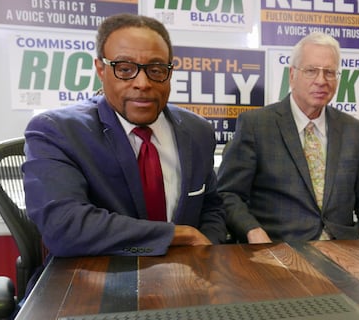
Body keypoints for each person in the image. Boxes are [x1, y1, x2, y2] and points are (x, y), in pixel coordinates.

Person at [23, 13, 227, 258]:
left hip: (187, 277)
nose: (142, 82)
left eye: (156, 69)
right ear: (101, 69)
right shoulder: (57, 131)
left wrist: (207, 254)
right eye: (125, 69)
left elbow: (212, 208)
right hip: (95, 279)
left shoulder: (198, 131)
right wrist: (178, 235)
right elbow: (64, 227)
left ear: (170, 71)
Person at [217, 32, 359, 243]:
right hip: (278, 250)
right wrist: (252, 231)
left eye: (329, 72)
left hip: (343, 251)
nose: (321, 80)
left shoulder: (351, 129)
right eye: (311, 71)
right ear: (292, 75)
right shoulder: (257, 125)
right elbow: (228, 195)